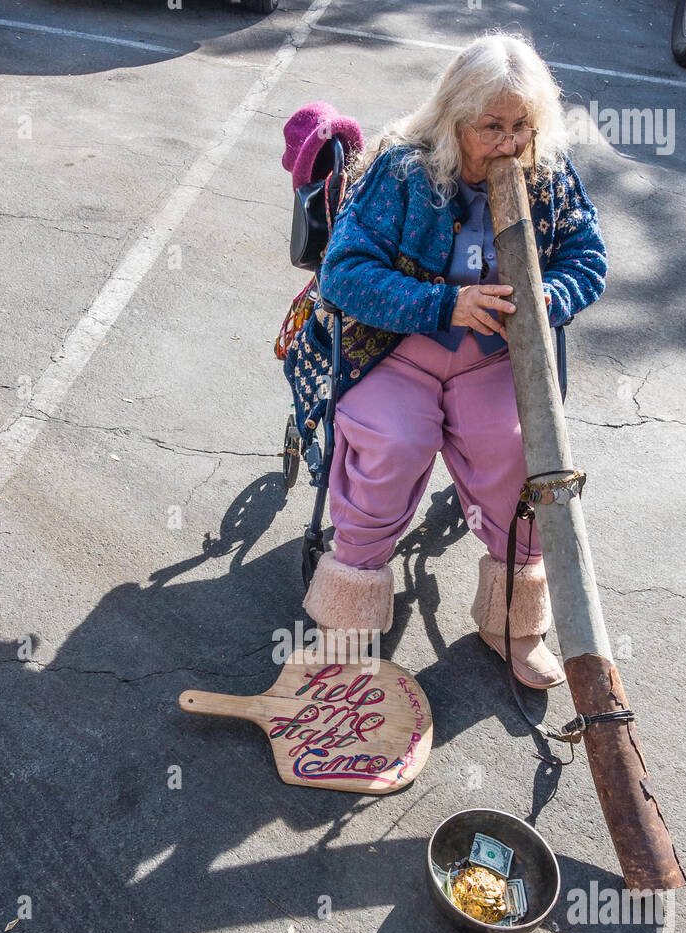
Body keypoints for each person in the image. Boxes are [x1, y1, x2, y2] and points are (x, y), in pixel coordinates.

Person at [282, 31, 607, 688]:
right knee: (393, 444)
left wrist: (550, 295)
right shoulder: (401, 169)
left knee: (519, 452)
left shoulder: (546, 173)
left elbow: (587, 258)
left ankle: (510, 623)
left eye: (521, 126)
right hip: (397, 348)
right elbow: (342, 276)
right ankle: (350, 612)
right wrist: (443, 305)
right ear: (456, 119)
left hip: (495, 357)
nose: (509, 143)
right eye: (491, 127)